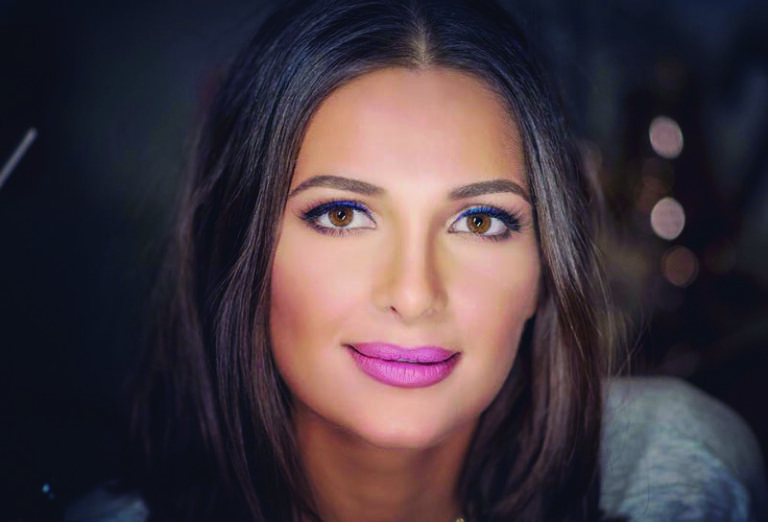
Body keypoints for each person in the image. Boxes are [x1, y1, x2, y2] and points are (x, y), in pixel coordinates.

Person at [64, 0, 767, 520]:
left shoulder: (674, 477)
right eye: (343, 214)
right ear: (240, 249)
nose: (413, 291)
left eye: (479, 221)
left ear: (543, 270)